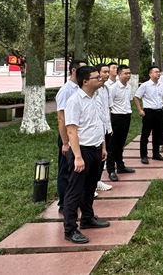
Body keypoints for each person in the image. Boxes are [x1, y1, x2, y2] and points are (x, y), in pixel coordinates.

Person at [63, 66, 110, 244]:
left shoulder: (96, 97)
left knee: (90, 188)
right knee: (74, 191)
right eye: (96, 77)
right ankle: (70, 229)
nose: (100, 79)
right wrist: (77, 157)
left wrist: (103, 147)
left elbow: (99, 124)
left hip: (96, 149)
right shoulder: (75, 101)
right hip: (81, 151)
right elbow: (72, 131)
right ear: (85, 81)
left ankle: (87, 218)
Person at [55, 58, 86, 214]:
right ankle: (63, 203)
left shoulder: (80, 89)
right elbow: (61, 118)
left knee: (74, 170)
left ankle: (74, 199)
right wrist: (65, 142)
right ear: (74, 71)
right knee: (65, 170)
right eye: (83, 70)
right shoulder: (66, 90)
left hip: (77, 136)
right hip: (67, 136)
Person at [107, 64, 136, 181]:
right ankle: (111, 170)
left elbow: (127, 101)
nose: (128, 76)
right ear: (119, 75)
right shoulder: (113, 88)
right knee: (112, 145)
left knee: (121, 143)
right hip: (116, 117)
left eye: (129, 73)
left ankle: (120, 165)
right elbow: (109, 105)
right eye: (125, 73)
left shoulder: (128, 87)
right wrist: (109, 123)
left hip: (126, 116)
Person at [133, 65, 163, 164]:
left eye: (159, 72)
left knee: (157, 134)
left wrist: (162, 107)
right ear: (150, 74)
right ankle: (144, 155)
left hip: (159, 112)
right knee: (145, 135)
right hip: (149, 112)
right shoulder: (145, 85)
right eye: (156, 72)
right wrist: (140, 110)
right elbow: (136, 97)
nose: (158, 73)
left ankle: (156, 154)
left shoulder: (161, 85)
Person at [94, 63, 113, 192]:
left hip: (106, 127)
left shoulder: (106, 88)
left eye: (108, 72)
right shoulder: (93, 90)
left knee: (102, 156)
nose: (107, 74)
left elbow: (108, 108)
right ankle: (91, 184)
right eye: (105, 72)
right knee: (94, 158)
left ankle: (98, 180)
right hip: (96, 129)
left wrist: (109, 126)